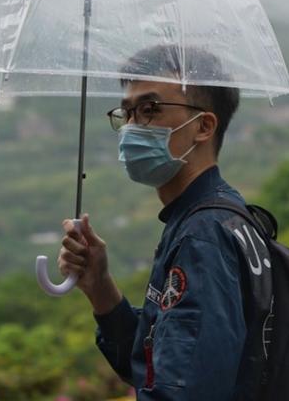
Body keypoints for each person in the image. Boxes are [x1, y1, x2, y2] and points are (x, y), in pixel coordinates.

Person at [57, 45, 257, 399]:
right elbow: (152, 365)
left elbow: (183, 390)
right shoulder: (216, 215)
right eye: (127, 112)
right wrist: (100, 286)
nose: (131, 127)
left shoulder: (203, 235)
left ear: (204, 126)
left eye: (149, 109)